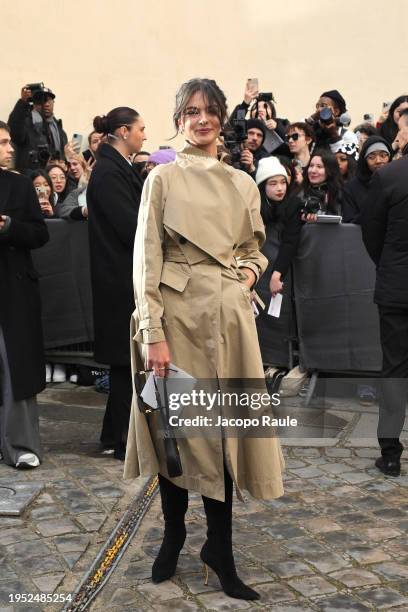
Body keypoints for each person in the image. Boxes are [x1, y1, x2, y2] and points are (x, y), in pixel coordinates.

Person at [124, 78, 284, 601]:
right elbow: (145, 261)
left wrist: (248, 277)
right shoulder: (162, 179)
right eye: (192, 111)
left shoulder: (243, 183)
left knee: (224, 437)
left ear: (222, 118)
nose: (202, 119)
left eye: (211, 110)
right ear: (178, 118)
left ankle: (220, 549)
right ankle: (172, 535)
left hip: (229, 322)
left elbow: (256, 249)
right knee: (178, 433)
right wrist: (153, 333)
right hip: (176, 319)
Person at [87, 107, 146, 460]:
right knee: (126, 364)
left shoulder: (117, 167)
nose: (144, 135)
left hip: (121, 276)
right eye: (141, 129)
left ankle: (114, 434)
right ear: (123, 131)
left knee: (127, 364)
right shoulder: (109, 172)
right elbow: (130, 226)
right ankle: (122, 438)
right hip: (118, 280)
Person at [360, 110, 408, 478]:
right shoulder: (389, 174)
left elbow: (371, 232)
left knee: (393, 369)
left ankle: (390, 452)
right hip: (395, 284)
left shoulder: (388, 175)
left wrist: (388, 264)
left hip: (395, 286)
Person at [0, 120, 49, 469]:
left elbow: (39, 233)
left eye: (8, 142)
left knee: (13, 367)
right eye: (2, 142)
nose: (9, 148)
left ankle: (19, 445)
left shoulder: (19, 186)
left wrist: (9, 227)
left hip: (13, 290)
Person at [254, 157, 303, 363]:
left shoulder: (293, 204)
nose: (280, 188)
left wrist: (277, 274)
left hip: (281, 269)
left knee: (281, 316)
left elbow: (290, 242)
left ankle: (283, 363)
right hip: (256, 269)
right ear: (262, 186)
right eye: (273, 183)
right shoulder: (254, 206)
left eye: (283, 182)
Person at [8, 84, 67, 172]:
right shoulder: (26, 123)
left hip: (53, 178)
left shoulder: (58, 128)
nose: (46, 104)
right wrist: (23, 102)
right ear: (34, 103)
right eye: (42, 101)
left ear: (53, 103)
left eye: (49, 100)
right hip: (32, 177)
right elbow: (14, 133)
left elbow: (62, 155)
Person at [342, 136, 392, 224]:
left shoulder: (397, 182)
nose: (378, 161)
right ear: (364, 161)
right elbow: (349, 221)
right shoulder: (351, 187)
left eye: (383, 155)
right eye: (371, 157)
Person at [301, 150, 344, 220]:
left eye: (319, 166)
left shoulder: (341, 195)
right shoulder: (299, 194)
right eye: (311, 166)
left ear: (330, 170)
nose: (313, 170)